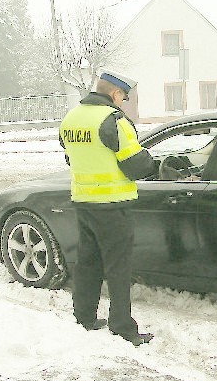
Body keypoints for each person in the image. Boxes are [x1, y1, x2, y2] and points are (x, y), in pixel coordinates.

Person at [59, 70, 160, 346]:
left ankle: (85, 317)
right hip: (113, 206)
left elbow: (71, 158)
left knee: (88, 262)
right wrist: (159, 166)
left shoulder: (71, 119)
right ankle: (122, 326)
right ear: (115, 94)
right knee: (118, 267)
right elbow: (135, 165)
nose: (123, 102)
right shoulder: (113, 121)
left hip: (84, 203)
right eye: (123, 97)